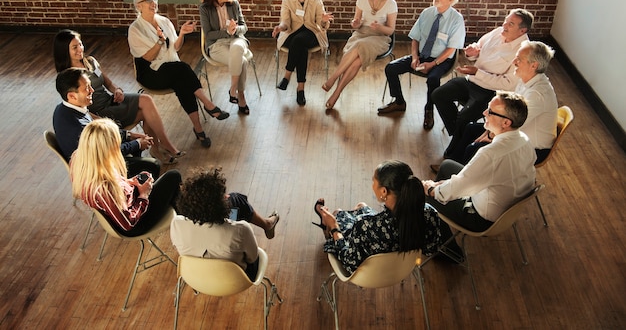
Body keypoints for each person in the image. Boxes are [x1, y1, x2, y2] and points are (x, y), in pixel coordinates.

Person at [53, 29, 183, 164]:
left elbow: (108, 83)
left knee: (146, 100)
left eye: (80, 44)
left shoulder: (90, 61)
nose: (80, 49)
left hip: (110, 100)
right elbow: (83, 112)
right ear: (64, 51)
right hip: (99, 112)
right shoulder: (68, 78)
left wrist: (117, 90)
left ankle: (162, 144)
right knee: (146, 113)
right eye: (75, 47)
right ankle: (157, 147)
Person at [128, 0, 229, 149]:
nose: (153, 3)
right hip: (150, 73)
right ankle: (208, 105)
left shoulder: (164, 21)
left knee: (182, 81)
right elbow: (148, 57)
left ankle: (199, 128)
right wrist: (160, 41)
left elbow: (175, 48)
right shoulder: (135, 29)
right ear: (138, 5)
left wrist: (181, 33)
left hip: (170, 69)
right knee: (181, 70)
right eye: (148, 0)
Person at [423, 91, 536, 233]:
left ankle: (447, 248)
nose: (484, 113)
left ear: (506, 122)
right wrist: (444, 186)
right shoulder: (524, 140)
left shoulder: (490, 154)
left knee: (422, 195)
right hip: (506, 206)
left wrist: (432, 189)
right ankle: (439, 221)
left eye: (490, 111)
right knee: (447, 166)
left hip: (483, 218)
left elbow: (462, 186)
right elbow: (466, 182)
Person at [313, 160, 454, 274]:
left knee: (337, 214)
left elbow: (349, 263)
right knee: (361, 206)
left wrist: (334, 229)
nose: (372, 184)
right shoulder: (430, 214)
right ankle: (330, 222)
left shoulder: (366, 226)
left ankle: (327, 228)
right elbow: (430, 249)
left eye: (373, 181)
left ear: (384, 191)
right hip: (401, 269)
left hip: (370, 273)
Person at [432, 8, 534, 158]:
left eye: (510, 24)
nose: (504, 26)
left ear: (522, 30)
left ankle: (452, 155)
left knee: (464, 117)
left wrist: (477, 72)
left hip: (492, 92)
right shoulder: (498, 32)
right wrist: (471, 52)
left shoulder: (524, 51)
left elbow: (507, 84)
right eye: (506, 21)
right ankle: (459, 134)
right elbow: (478, 47)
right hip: (472, 79)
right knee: (439, 95)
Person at [444, 40, 558, 166]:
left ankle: (462, 177)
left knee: (475, 148)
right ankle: (452, 165)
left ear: (534, 65)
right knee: (470, 129)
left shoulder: (538, 95)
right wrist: (488, 131)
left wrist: (491, 136)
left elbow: (515, 124)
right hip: (516, 132)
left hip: (531, 147)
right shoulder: (526, 79)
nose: (514, 62)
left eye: (519, 59)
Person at [70, 118, 182, 237]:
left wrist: (130, 183)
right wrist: (143, 195)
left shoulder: (80, 158)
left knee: (160, 178)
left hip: (129, 200)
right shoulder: (105, 188)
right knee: (173, 177)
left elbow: (116, 186)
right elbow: (128, 223)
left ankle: (185, 223)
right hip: (137, 223)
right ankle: (186, 224)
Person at [378, 0, 466, 130]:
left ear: (451, 0)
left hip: (441, 60)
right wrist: (414, 57)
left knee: (433, 78)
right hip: (421, 55)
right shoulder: (427, 13)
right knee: (391, 68)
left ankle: (429, 110)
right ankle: (399, 101)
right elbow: (415, 38)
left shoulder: (456, 20)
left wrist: (432, 65)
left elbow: (451, 50)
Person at [170, 168, 280, 281]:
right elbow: (252, 258)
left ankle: (267, 224)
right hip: (237, 280)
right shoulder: (240, 230)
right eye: (223, 195)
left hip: (195, 277)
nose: (227, 196)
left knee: (236, 199)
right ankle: (267, 224)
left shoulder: (177, 223)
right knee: (236, 199)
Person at [53, 67, 160, 178]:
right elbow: (107, 154)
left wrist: (129, 135)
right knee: (153, 165)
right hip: (100, 173)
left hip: (97, 158)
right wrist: (137, 143)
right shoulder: (81, 128)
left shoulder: (63, 109)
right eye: (86, 88)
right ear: (72, 96)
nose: (92, 90)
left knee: (136, 151)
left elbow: (104, 135)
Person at [322, 0, 397, 110]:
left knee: (360, 45)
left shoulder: (391, 4)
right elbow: (356, 22)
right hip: (362, 33)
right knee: (356, 60)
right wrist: (355, 24)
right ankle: (336, 94)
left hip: (380, 37)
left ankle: (333, 79)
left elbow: (391, 30)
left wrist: (380, 27)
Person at [272, 0, 333, 106]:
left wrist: (323, 20)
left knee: (299, 41)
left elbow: (321, 25)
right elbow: (285, 21)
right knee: (300, 47)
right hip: (291, 31)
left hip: (312, 31)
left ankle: (287, 75)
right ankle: (301, 89)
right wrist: (280, 28)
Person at [200, 0, 253, 115]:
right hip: (217, 44)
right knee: (242, 61)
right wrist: (226, 32)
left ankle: (233, 89)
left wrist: (235, 30)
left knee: (237, 49)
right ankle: (241, 96)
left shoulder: (234, 4)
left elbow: (244, 27)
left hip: (236, 39)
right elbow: (209, 34)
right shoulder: (205, 8)